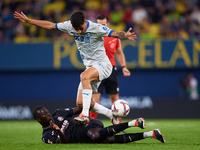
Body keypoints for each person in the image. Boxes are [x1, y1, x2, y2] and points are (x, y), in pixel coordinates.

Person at [14, 11, 137, 124]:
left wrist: (125, 35)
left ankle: (85, 115)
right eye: (76, 29)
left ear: (85, 22)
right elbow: (51, 26)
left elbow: (115, 33)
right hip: (90, 67)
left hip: (103, 65)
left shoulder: (96, 28)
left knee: (84, 76)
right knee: (80, 102)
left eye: (81, 28)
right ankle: (111, 114)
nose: (78, 31)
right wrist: (29, 20)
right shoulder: (69, 25)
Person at [32, 106, 166, 144]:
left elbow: (79, 109)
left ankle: (134, 122)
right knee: (109, 140)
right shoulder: (47, 136)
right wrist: (59, 131)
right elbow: (65, 144)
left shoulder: (58, 114)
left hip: (87, 125)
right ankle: (150, 134)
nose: (47, 112)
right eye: (43, 113)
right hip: (83, 139)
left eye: (46, 110)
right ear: (39, 119)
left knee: (95, 135)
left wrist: (88, 105)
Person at [90, 14, 131, 120]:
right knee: (95, 99)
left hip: (111, 69)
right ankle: (90, 125)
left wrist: (124, 66)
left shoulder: (115, 37)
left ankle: (118, 125)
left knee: (115, 99)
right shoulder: (93, 36)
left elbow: (120, 53)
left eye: (103, 25)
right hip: (98, 69)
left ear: (108, 24)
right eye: (99, 25)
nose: (101, 27)